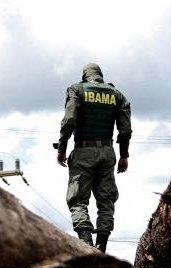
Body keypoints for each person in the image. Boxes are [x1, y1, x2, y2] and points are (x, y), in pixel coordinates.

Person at [56, 63, 131, 252]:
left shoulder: (77, 89)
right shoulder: (117, 95)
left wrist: (62, 148)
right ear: (100, 76)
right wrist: (124, 156)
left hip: (83, 152)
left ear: (85, 76)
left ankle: (86, 243)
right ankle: (102, 245)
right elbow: (125, 130)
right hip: (107, 152)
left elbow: (69, 120)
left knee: (78, 200)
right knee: (106, 200)